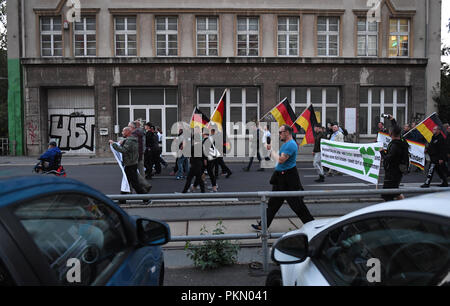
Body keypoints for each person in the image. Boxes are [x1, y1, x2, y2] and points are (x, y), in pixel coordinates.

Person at [251, 124, 314, 231]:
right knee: (273, 204)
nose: (279, 134)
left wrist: (271, 152)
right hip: (281, 177)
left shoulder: (290, 145)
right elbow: (278, 158)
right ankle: (263, 225)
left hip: (289, 178)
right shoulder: (286, 144)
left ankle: (312, 224)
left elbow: (281, 160)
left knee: (297, 205)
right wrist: (271, 151)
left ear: (287, 133)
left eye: (280, 132)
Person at [109, 127, 151, 199]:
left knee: (134, 184)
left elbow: (123, 150)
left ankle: (146, 199)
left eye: (123, 131)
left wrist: (113, 144)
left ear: (127, 132)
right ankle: (122, 200)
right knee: (126, 182)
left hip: (130, 165)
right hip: (131, 164)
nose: (122, 133)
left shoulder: (129, 141)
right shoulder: (131, 140)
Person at [380, 125, 409, 201]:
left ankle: (392, 210)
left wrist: (382, 152)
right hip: (397, 172)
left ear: (391, 133)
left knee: (388, 195)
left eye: (389, 131)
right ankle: (404, 205)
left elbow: (389, 158)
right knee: (395, 192)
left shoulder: (395, 145)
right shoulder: (402, 142)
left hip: (392, 173)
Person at [129, 121, 151, 191]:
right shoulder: (141, 133)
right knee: (141, 170)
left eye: (129, 126)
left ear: (132, 127)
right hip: (141, 154)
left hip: (135, 155)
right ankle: (144, 186)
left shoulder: (134, 134)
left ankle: (144, 185)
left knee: (131, 171)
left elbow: (132, 145)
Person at [182, 128, 205, 193]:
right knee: (199, 180)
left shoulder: (194, 146)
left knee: (189, 179)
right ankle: (203, 192)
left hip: (194, 165)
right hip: (199, 164)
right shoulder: (201, 146)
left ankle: (184, 192)